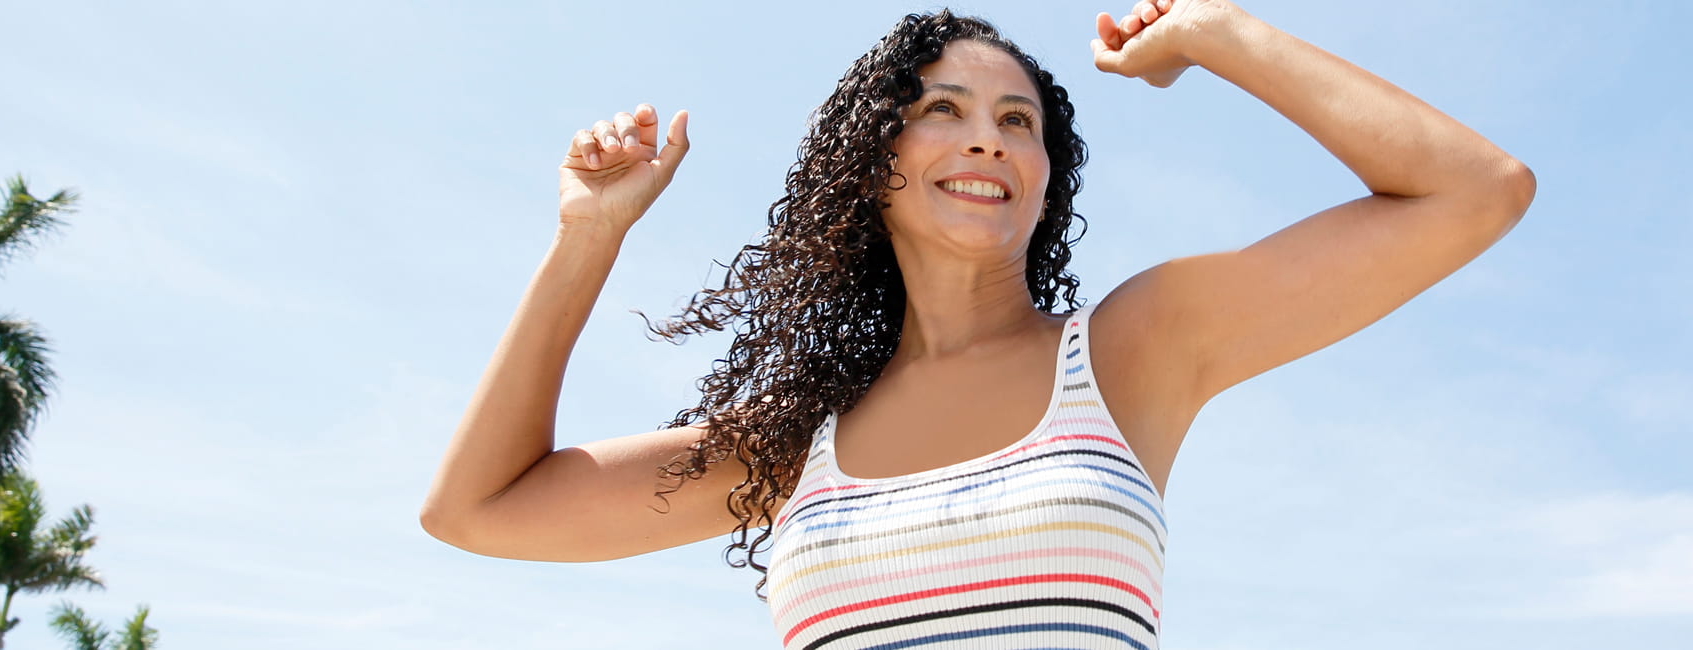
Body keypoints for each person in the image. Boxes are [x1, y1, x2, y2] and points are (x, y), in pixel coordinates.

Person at [421, 1, 1534, 648]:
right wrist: (587, 239)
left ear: (1049, 177)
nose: (988, 138)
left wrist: (1214, 29)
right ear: (874, 166)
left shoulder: (1133, 348)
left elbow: (1475, 190)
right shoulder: (794, 441)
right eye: (941, 111)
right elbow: (479, 508)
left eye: (1019, 121)